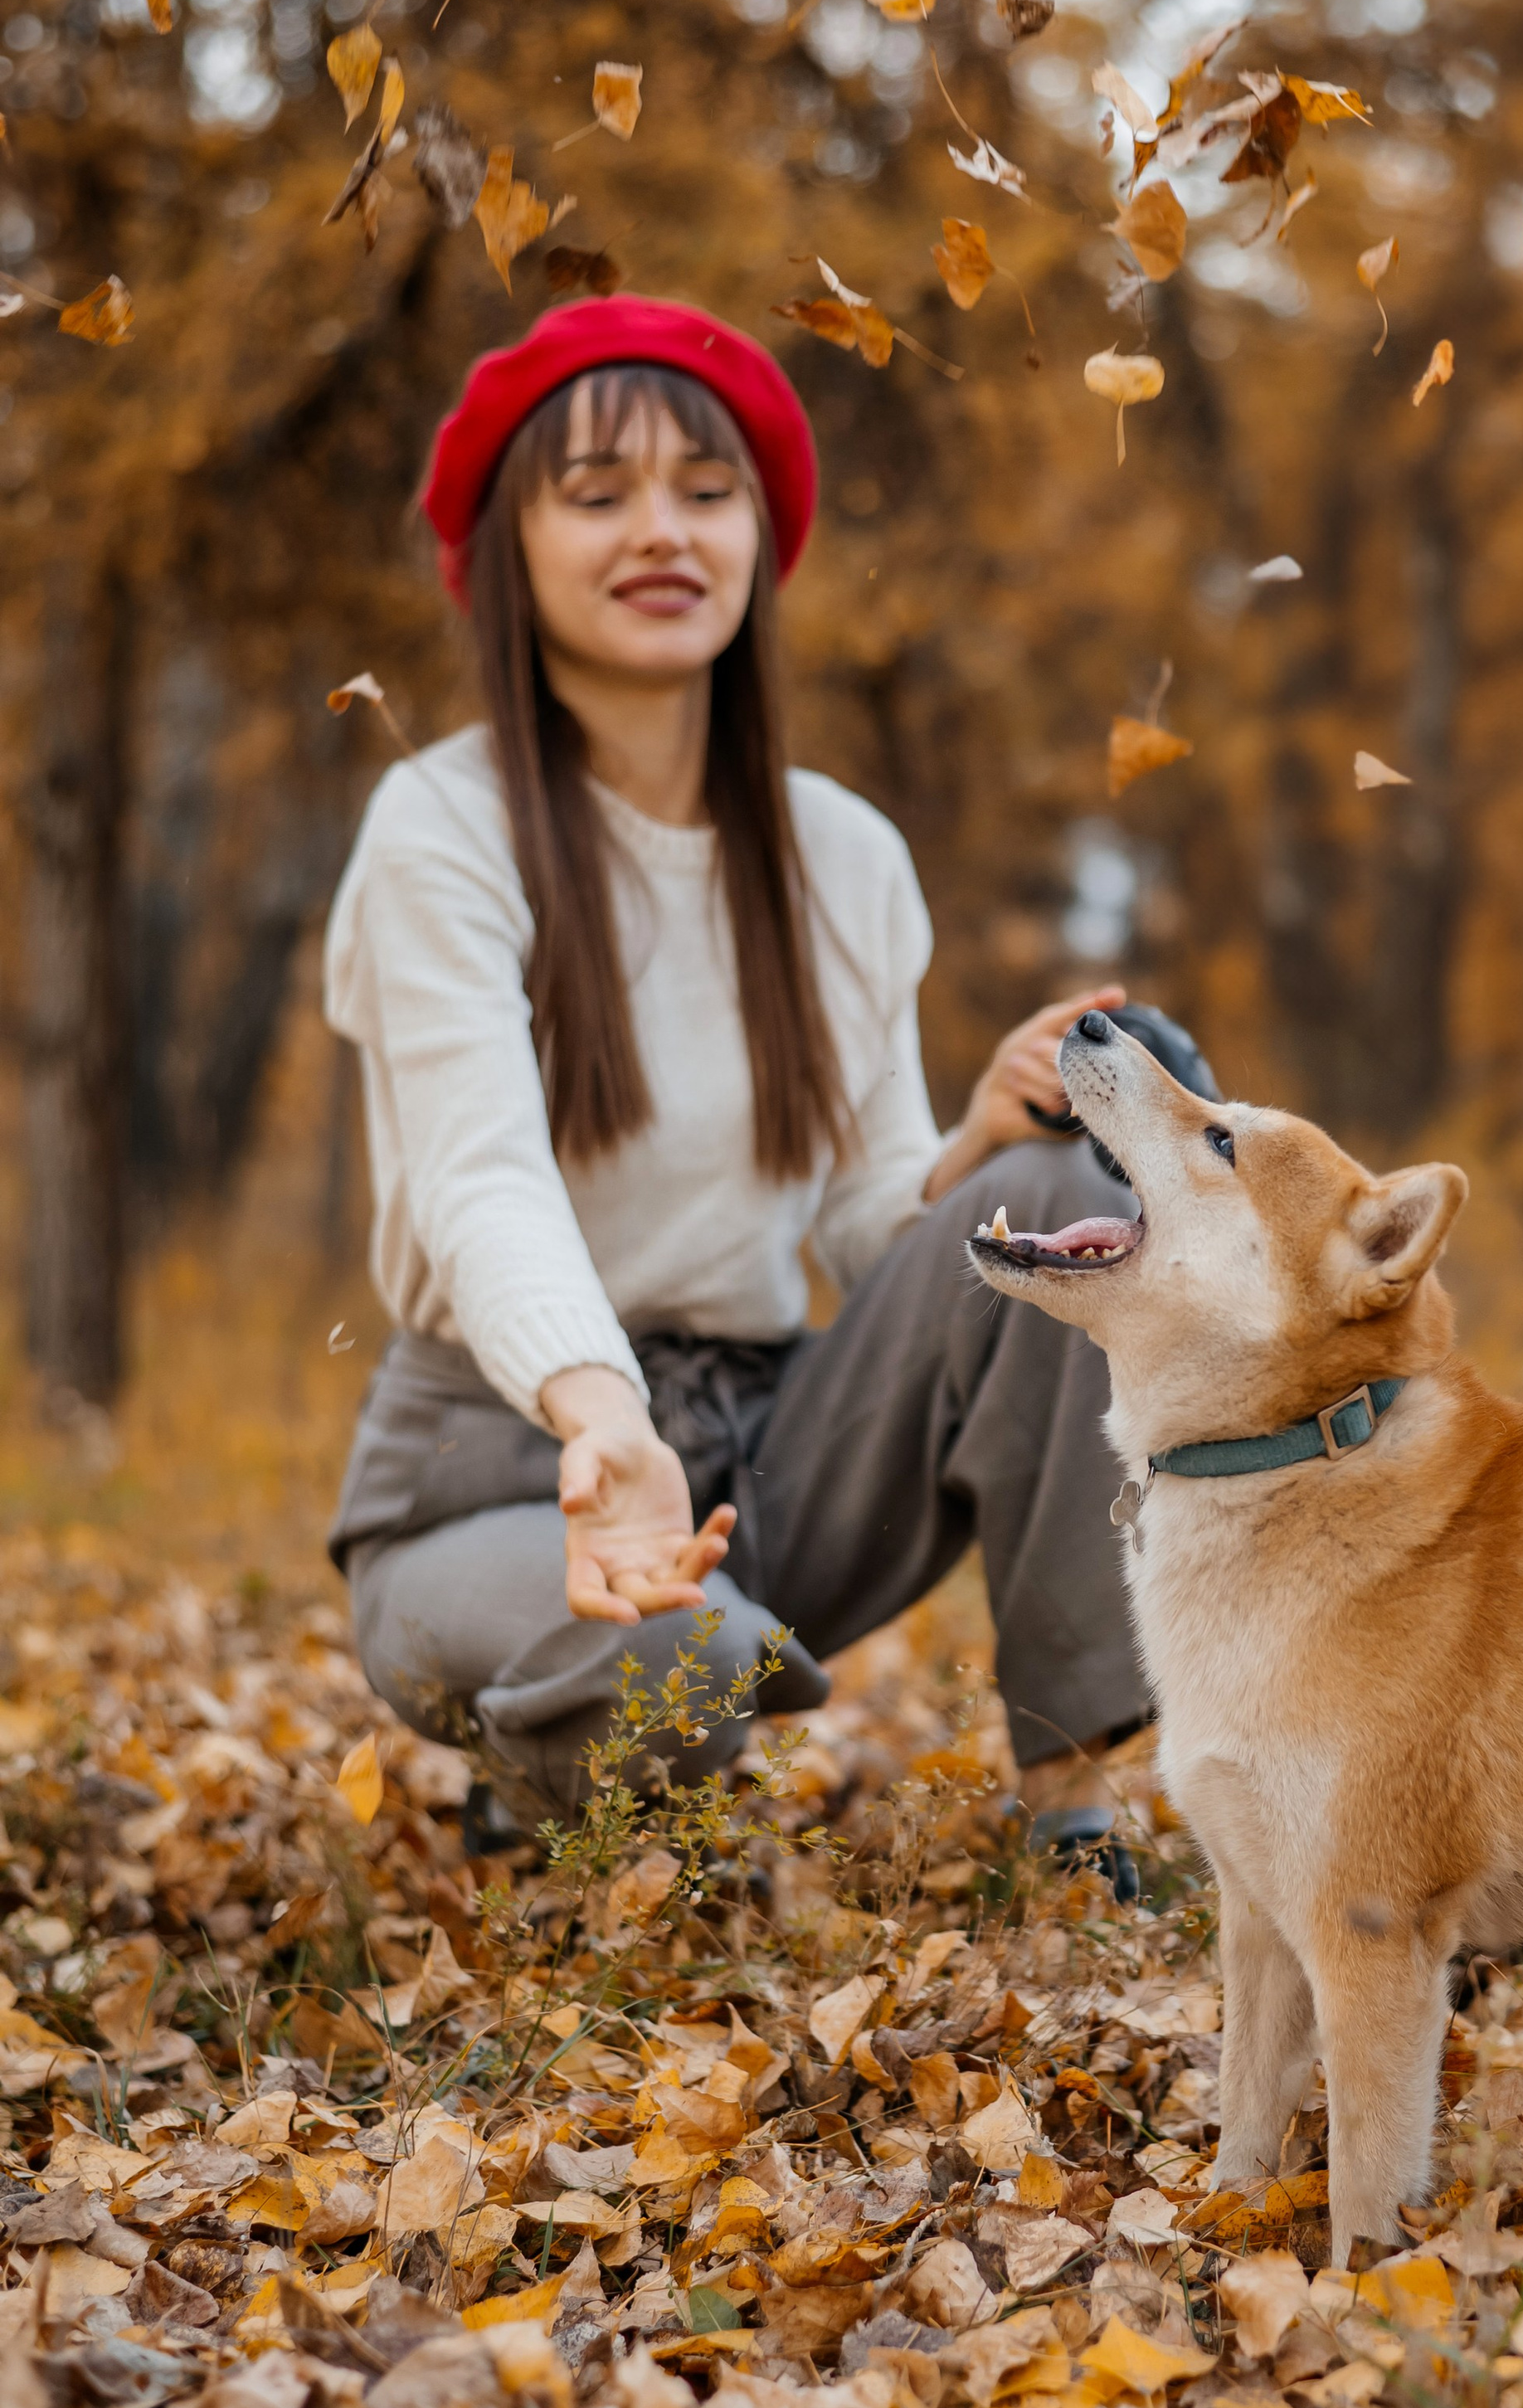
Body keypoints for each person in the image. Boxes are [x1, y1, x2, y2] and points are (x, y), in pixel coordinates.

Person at [324, 293, 1203, 1866]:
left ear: (760, 535)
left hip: (771, 1447)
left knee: (1063, 1197)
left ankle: (1076, 1797)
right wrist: (604, 1420)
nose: (659, 530)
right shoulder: (441, 831)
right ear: (510, 552)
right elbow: (480, 1181)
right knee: (683, 1662)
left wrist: (982, 1148)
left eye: (703, 490)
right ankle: (570, 1744)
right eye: (597, 496)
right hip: (498, 1472)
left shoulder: (843, 857)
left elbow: (871, 1235)